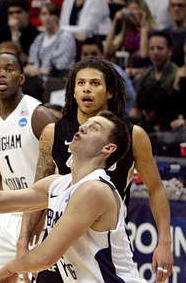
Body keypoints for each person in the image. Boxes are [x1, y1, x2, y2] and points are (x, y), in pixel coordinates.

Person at [18, 58, 173, 283]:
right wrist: (23, 242)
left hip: (104, 245)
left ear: (110, 92)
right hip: (58, 244)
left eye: (95, 83)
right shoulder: (53, 132)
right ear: (72, 91)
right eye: (81, 83)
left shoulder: (132, 135)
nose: (87, 88)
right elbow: (37, 192)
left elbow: (156, 189)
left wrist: (165, 242)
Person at [0, 111, 143, 283]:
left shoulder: (95, 189)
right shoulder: (58, 184)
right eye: (85, 124)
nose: (83, 128)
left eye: (94, 128)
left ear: (108, 148)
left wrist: (9, 269)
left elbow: (45, 256)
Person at [0, 52, 54, 283]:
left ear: (21, 78)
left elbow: (58, 172)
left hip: (41, 217)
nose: (2, 74)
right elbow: (0, 174)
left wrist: (40, 220)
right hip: (8, 219)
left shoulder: (39, 115)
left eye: (9, 69)